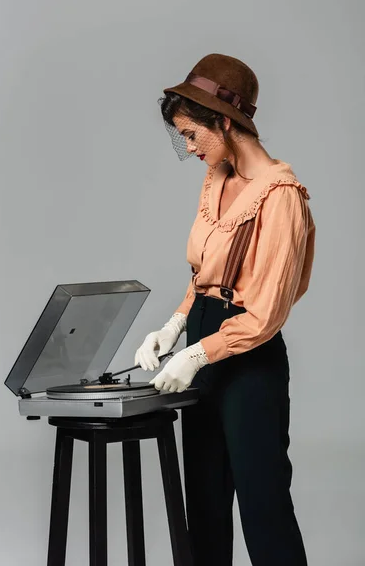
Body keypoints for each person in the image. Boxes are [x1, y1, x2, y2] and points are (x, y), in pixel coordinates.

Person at [134, 53, 315, 566]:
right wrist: (174, 326)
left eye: (192, 134)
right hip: (202, 337)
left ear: (226, 122)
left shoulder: (281, 196)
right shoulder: (215, 176)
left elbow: (266, 313)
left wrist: (196, 355)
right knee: (206, 503)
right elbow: (205, 276)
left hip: (247, 355)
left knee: (263, 502)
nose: (188, 148)